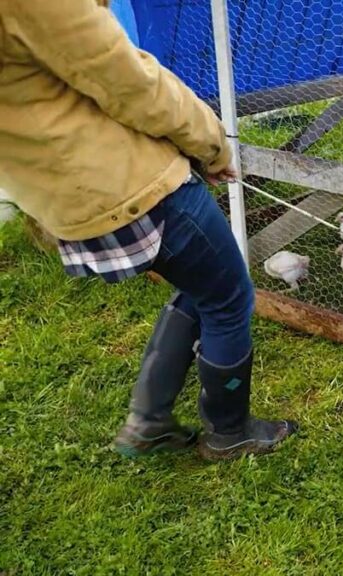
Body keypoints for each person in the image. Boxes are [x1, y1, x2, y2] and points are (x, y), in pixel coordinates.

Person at [0, 0, 297, 460]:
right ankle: (230, 431)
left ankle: (150, 419)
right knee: (230, 296)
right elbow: (128, 81)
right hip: (128, 181)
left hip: (64, 194)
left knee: (200, 280)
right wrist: (211, 143)